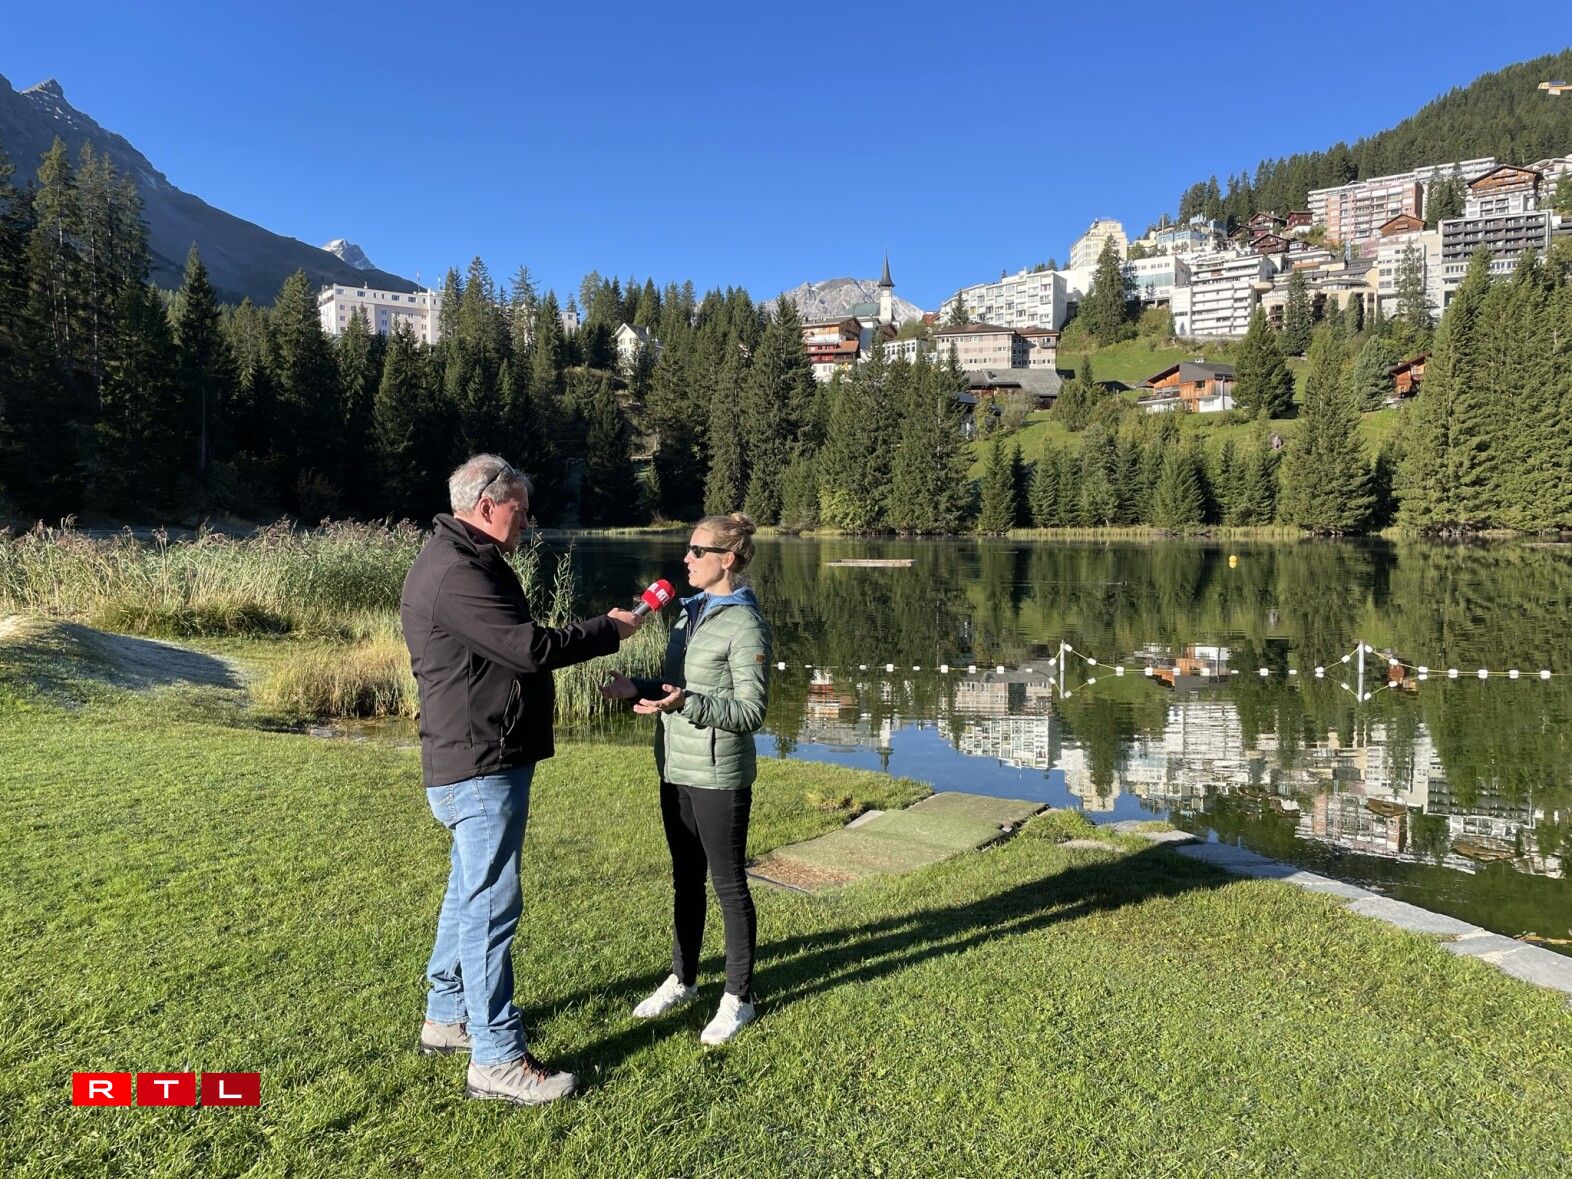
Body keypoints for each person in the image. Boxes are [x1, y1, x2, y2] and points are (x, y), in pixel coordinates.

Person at [400, 454, 643, 1106]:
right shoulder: (456, 572)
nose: (528, 521)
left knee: (468, 892)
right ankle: (496, 1058)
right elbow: (528, 648)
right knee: (490, 906)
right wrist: (608, 630)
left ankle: (447, 1014)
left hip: (478, 755)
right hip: (480, 763)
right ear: (486, 505)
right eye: (521, 509)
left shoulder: (464, 559)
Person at [601, 512, 771, 1046]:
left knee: (728, 885)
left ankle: (738, 998)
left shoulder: (745, 624)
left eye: (698, 551)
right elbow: (677, 684)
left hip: (719, 773)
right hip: (675, 766)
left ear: (727, 559)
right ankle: (683, 979)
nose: (687, 558)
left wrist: (686, 703)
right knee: (685, 878)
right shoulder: (689, 612)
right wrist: (637, 686)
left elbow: (751, 712)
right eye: (688, 549)